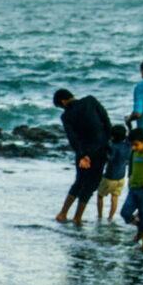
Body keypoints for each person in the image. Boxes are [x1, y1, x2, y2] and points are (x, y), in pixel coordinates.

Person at [52, 87, 111, 224]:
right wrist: (107, 141)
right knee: (91, 184)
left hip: (83, 152)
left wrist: (83, 155)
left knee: (80, 181)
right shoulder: (90, 101)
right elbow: (105, 120)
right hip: (99, 149)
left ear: (63, 101)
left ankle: (63, 213)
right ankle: (77, 217)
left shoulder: (66, 116)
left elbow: (73, 138)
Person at [97, 123, 131, 223]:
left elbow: (110, 159)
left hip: (110, 176)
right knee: (115, 197)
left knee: (100, 195)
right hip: (121, 177)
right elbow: (130, 135)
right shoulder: (128, 145)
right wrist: (129, 125)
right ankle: (110, 217)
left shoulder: (114, 147)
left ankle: (100, 216)